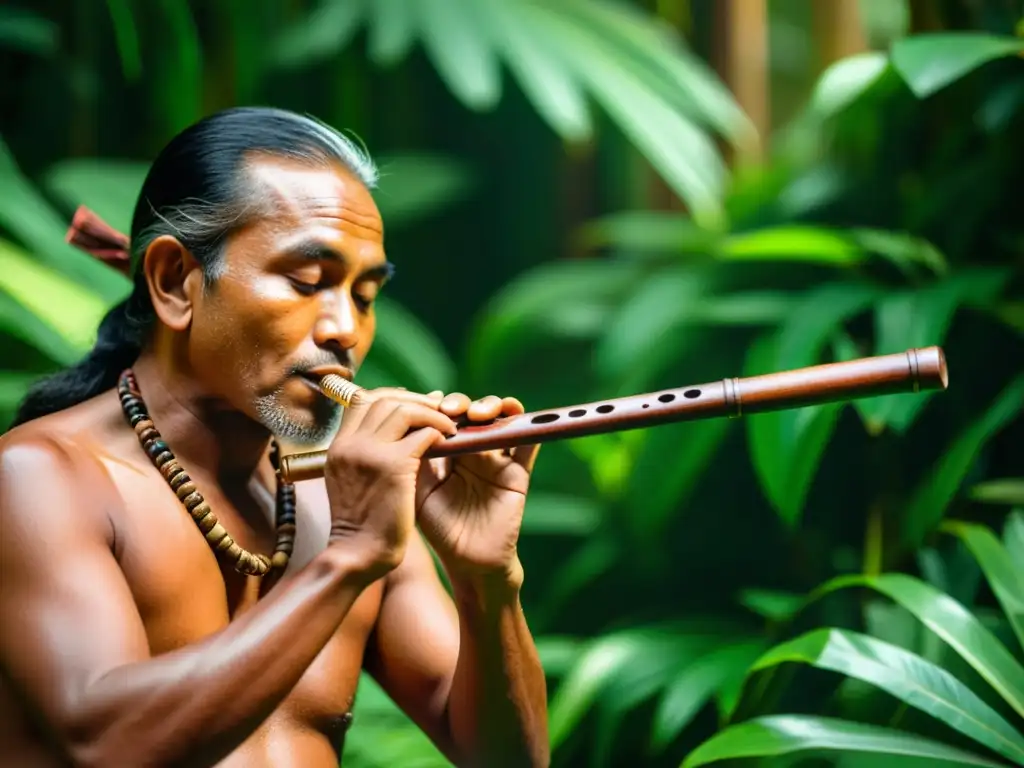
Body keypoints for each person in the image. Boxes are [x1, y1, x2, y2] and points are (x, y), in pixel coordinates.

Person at [0, 106, 550, 768]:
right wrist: (347, 556)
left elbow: (507, 761)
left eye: (366, 296)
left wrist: (486, 578)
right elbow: (107, 746)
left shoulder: (349, 497)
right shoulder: (38, 478)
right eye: (308, 282)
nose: (344, 329)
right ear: (175, 281)